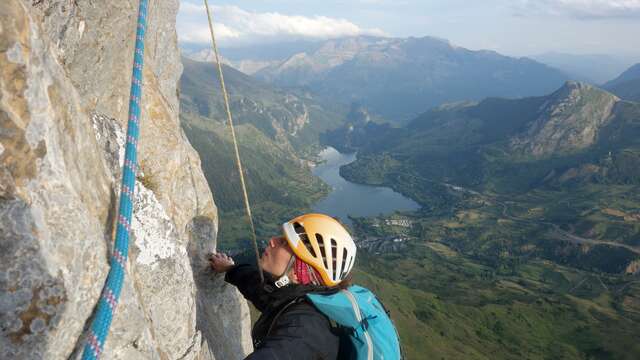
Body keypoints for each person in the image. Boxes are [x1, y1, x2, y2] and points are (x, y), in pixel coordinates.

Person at [209, 213, 357, 360]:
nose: (272, 241)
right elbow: (261, 289)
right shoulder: (296, 296)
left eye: (285, 243)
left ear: (300, 272)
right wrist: (230, 269)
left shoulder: (303, 331)